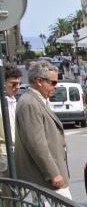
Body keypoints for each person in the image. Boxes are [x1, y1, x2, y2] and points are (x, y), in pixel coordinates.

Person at [14, 61, 71, 198]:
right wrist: (53, 174)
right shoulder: (29, 103)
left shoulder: (35, 100)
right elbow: (36, 144)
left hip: (48, 181)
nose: (55, 86)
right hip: (45, 181)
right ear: (39, 81)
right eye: (53, 82)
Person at [0, 66, 22, 207]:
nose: (17, 87)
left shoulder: (14, 101)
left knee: (16, 203)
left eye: (19, 84)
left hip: (16, 155)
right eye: (13, 84)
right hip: (5, 158)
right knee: (9, 205)